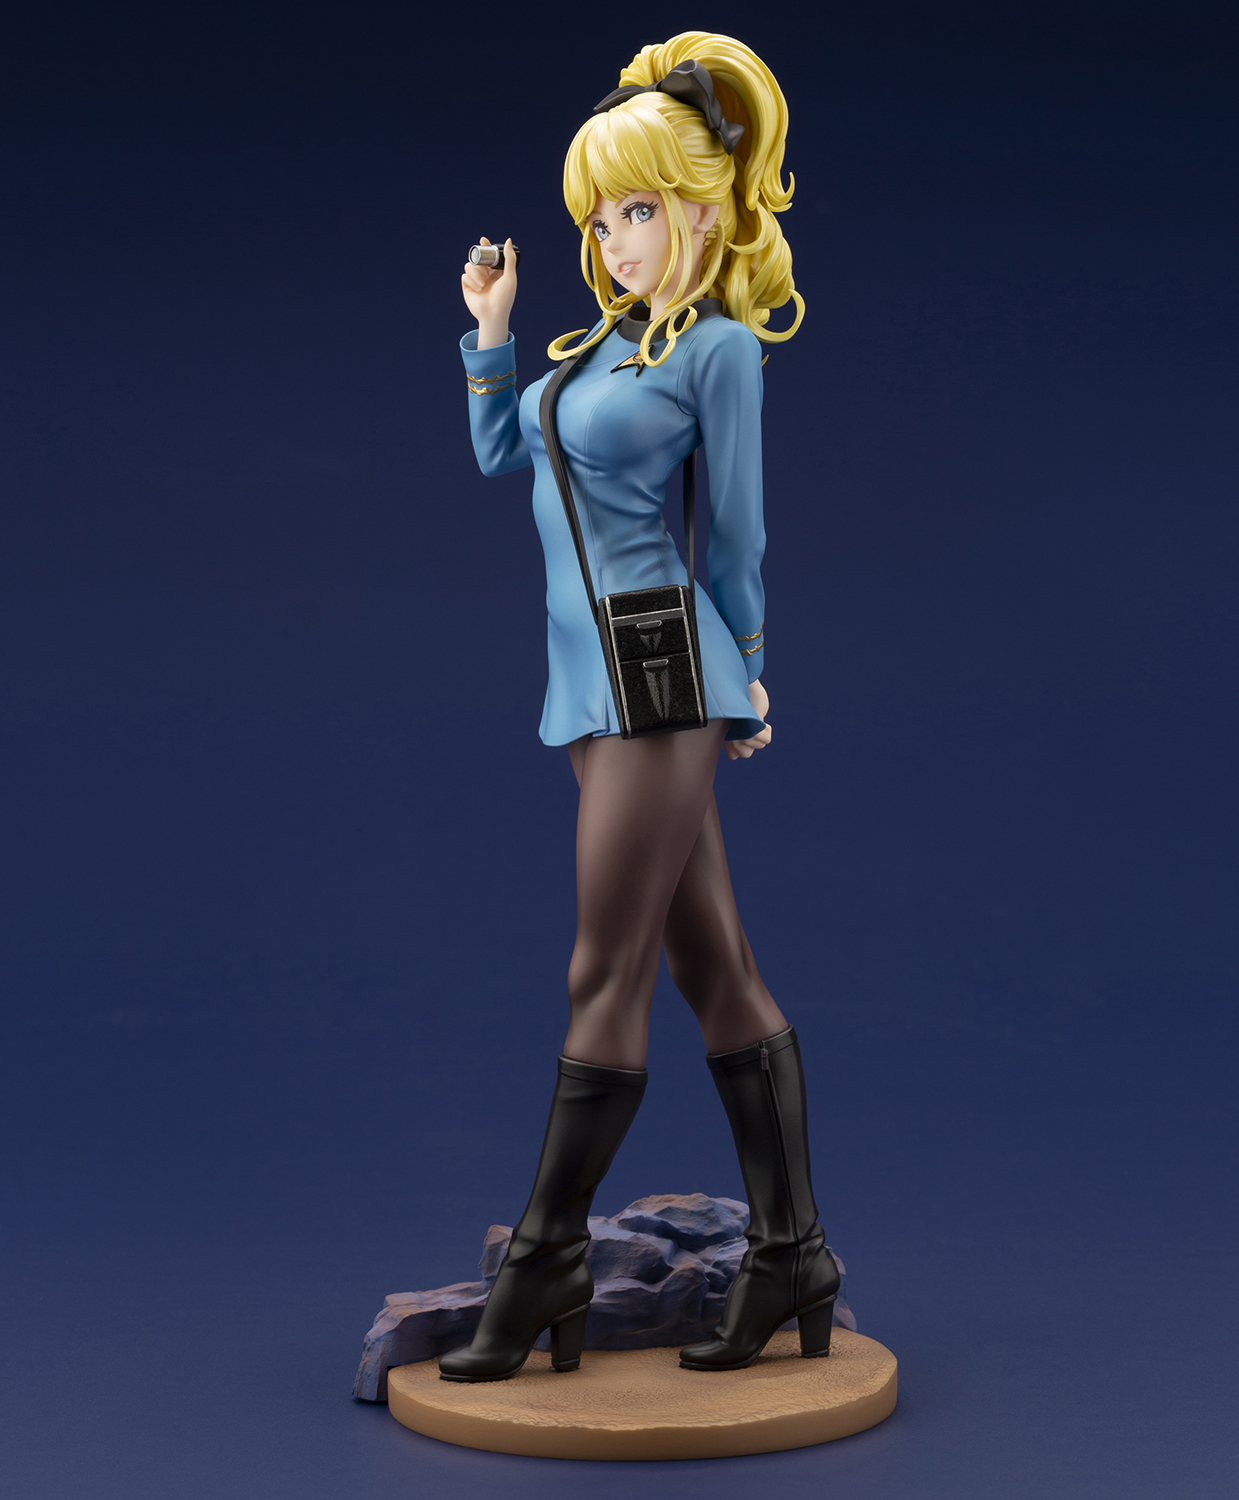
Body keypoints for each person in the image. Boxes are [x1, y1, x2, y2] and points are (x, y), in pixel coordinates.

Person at [438, 31, 839, 1383]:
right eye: (602, 218)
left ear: (703, 214)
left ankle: (548, 1258)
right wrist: (494, 335)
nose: (615, 240)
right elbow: (501, 453)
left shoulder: (717, 351)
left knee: (600, 973)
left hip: (664, 673)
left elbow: (737, 533)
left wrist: (751, 667)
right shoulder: (598, 344)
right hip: (588, 682)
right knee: (710, 965)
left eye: (640, 212)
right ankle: (791, 1250)